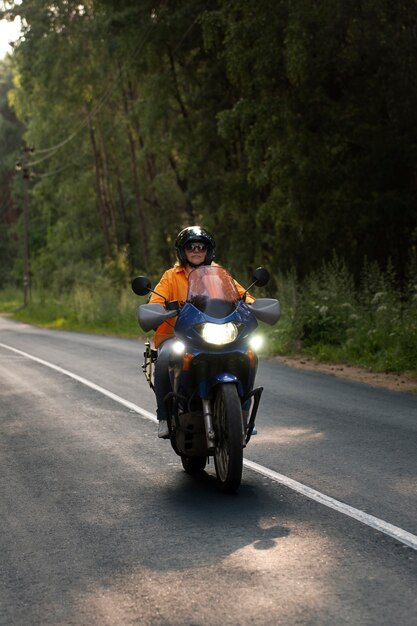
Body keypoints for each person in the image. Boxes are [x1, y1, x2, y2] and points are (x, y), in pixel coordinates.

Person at [149, 225, 255, 438]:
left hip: (216, 332)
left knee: (249, 353)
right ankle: (165, 417)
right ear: (182, 251)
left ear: (209, 251)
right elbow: (156, 301)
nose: (196, 251)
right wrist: (158, 310)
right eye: (191, 247)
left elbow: (242, 295)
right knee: (165, 357)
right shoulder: (171, 276)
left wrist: (253, 305)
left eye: (201, 247)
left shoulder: (218, 275)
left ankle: (242, 414)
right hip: (179, 335)